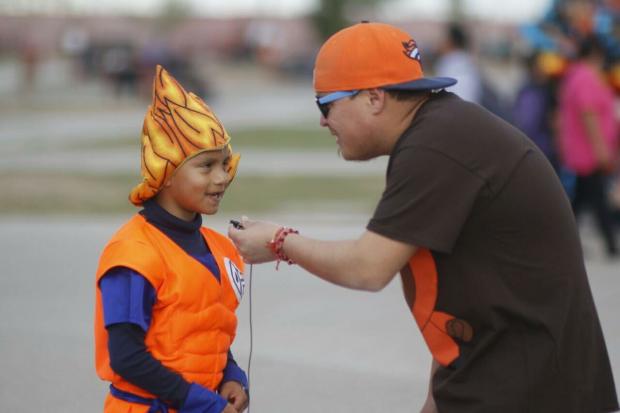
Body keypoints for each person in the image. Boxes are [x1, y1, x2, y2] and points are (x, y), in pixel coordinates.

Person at [228, 22, 618, 412]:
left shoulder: (436, 147)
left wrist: (279, 241)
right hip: (505, 380)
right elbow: (457, 292)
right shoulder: (439, 133)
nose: (322, 121)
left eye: (325, 104)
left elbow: (367, 268)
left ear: (374, 97)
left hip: (530, 392)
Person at [94, 65, 249, 413]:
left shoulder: (221, 248)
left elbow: (206, 330)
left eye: (225, 163)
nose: (223, 177)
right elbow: (126, 357)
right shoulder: (134, 253)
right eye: (206, 166)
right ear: (164, 173)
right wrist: (199, 401)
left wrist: (233, 375)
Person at [557, 35, 619, 258]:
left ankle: (561, 241)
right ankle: (611, 245)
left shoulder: (576, 75)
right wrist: (602, 149)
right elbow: (589, 114)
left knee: (582, 200)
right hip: (589, 153)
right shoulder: (585, 77)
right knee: (596, 199)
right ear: (596, 53)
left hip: (584, 152)